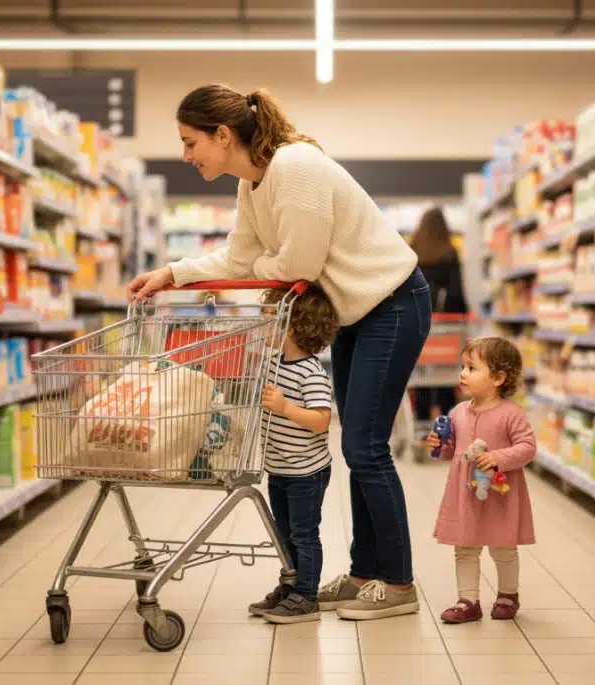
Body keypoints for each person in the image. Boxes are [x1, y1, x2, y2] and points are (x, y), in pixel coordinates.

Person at [129, 84, 430, 621]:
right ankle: (365, 572)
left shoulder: (295, 166)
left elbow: (300, 265)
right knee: (361, 446)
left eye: (190, 141)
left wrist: (265, 261)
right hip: (357, 312)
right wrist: (172, 274)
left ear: (224, 135)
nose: (186, 155)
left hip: (394, 301)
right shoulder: (253, 187)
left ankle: (400, 582)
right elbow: (240, 258)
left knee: (364, 447)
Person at [426, 337, 536, 624]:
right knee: (464, 547)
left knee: (503, 547)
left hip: (499, 491)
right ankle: (468, 601)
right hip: (465, 493)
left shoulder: (511, 413)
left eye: (472, 368)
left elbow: (528, 448)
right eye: (463, 366)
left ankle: (507, 595)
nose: (463, 373)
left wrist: (499, 457)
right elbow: (451, 452)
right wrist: (440, 445)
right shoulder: (457, 412)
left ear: (498, 377)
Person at [247, 286, 339, 624]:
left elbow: (321, 420)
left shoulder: (311, 372)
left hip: (307, 472)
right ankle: (290, 586)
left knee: (304, 533)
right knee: (283, 533)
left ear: (292, 324)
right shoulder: (272, 362)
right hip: (280, 467)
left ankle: (307, 595)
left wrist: (285, 407)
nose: (262, 323)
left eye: (268, 317)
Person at [410, 206, 468, 422]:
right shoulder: (450, 255)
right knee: (445, 377)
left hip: (416, 329)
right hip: (446, 331)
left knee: (420, 379)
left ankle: (422, 425)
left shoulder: (411, 254)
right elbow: (457, 296)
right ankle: (448, 429)